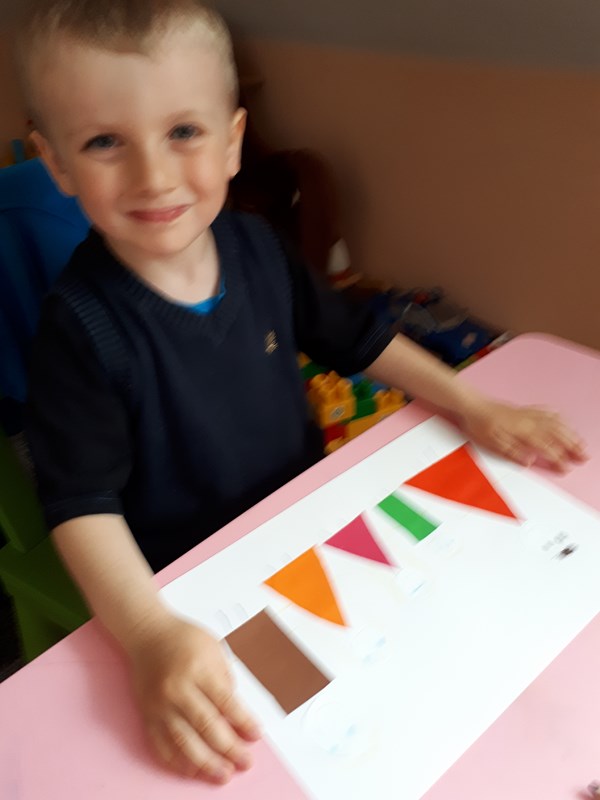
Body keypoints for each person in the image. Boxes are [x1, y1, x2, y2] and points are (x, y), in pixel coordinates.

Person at [16, 0, 586, 785]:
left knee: (452, 671)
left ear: (232, 142)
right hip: (198, 585)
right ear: (56, 165)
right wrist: (149, 635)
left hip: (312, 525)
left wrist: (472, 404)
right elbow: (81, 505)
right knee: (314, 750)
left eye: (183, 131)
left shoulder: (256, 244)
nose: (154, 175)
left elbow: (357, 335)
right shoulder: (77, 329)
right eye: (104, 142)